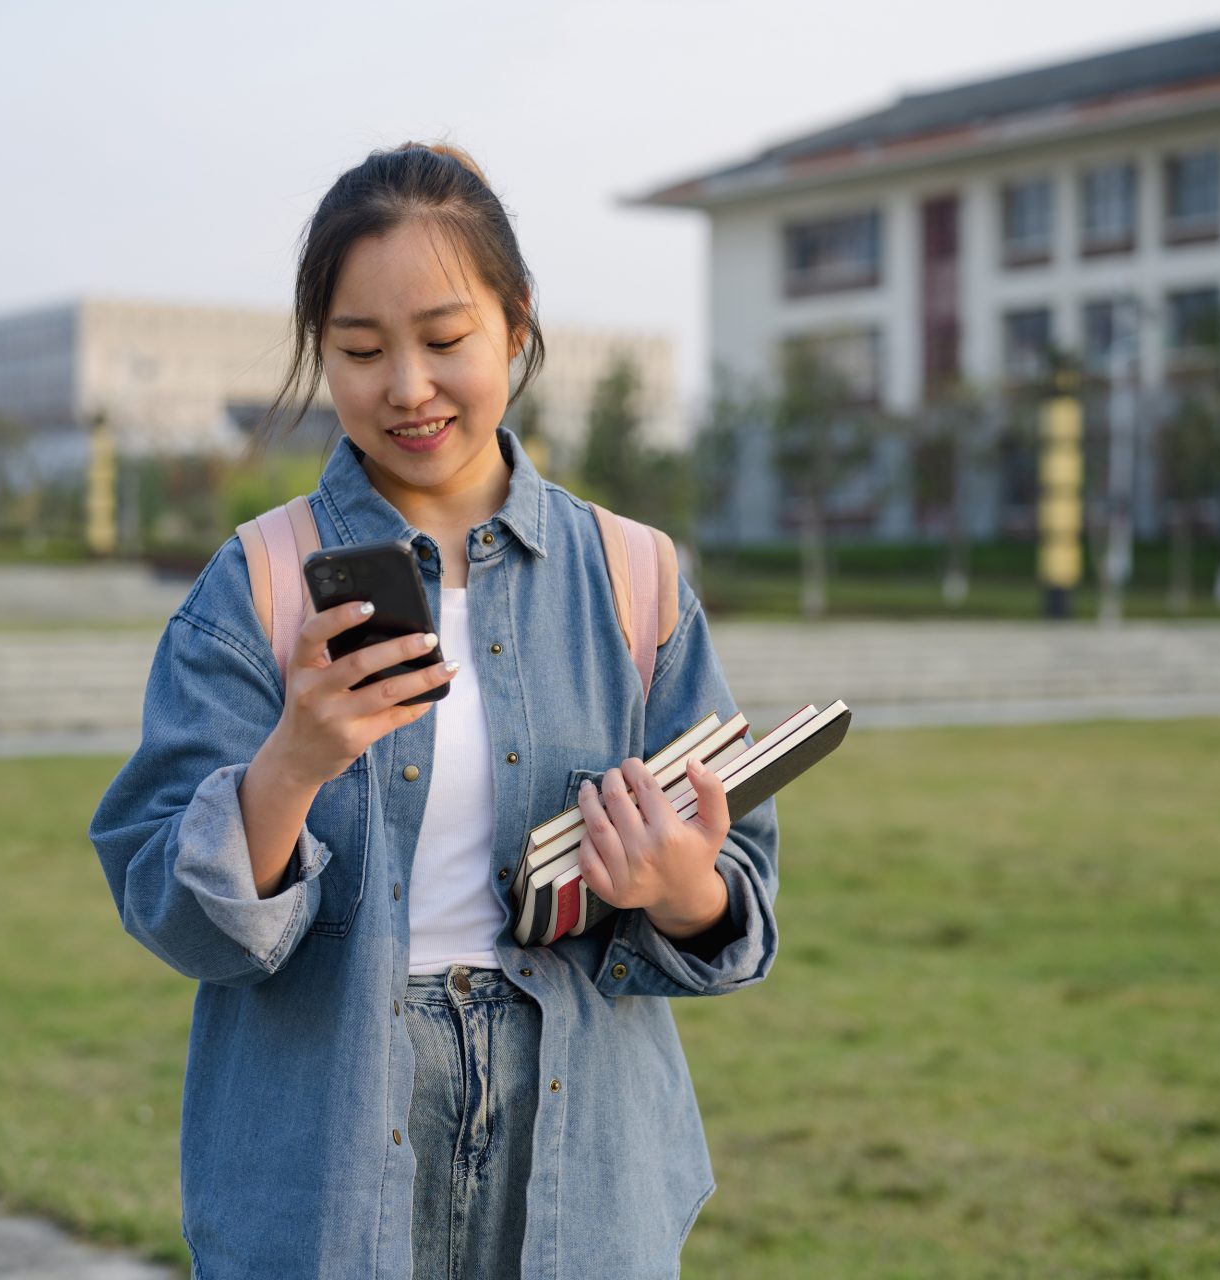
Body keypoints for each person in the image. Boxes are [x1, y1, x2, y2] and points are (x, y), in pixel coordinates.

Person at [89, 142, 779, 1280]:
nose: (406, 386)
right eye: (361, 350)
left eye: (445, 339)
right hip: (330, 1147)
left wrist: (676, 883)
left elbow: (735, 900)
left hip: (585, 1150)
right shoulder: (257, 580)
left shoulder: (634, 577)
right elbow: (173, 908)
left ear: (516, 326)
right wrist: (290, 765)